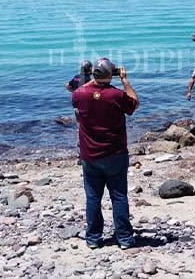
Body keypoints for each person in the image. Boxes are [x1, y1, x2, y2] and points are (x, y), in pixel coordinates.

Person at [71, 58, 138, 250]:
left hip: (89, 154)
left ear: (93, 75)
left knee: (93, 197)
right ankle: (124, 238)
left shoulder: (80, 94)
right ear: (111, 75)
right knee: (119, 196)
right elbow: (134, 104)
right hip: (115, 152)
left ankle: (93, 238)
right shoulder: (116, 95)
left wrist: (94, 79)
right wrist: (124, 80)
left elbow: (76, 95)